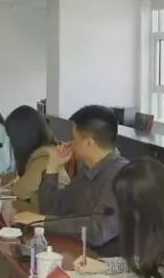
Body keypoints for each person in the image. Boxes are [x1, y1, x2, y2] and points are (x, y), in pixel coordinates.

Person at [32, 105, 127, 255]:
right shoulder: (87, 170)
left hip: (106, 262)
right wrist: (52, 167)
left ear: (89, 142)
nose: (70, 143)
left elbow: (99, 230)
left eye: (74, 138)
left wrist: (44, 222)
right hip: (81, 252)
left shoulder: (120, 175)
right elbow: (52, 209)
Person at [0, 105, 64, 210]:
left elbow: (21, 191)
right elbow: (20, 175)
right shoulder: (41, 152)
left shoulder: (45, 157)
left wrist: (10, 184)